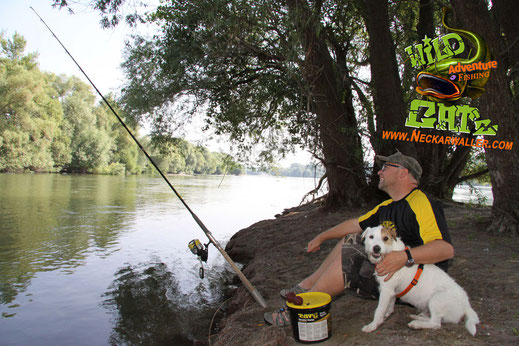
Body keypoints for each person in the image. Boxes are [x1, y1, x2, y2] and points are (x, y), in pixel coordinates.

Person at [264, 151, 454, 326]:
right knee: (353, 239)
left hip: (417, 284)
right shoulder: (386, 206)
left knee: (352, 256)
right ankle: (306, 287)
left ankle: (301, 308)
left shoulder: (421, 202)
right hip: (394, 273)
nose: (380, 172)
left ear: (403, 173)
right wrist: (321, 237)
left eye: (386, 167)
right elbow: (355, 225)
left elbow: (445, 249)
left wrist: (404, 257)